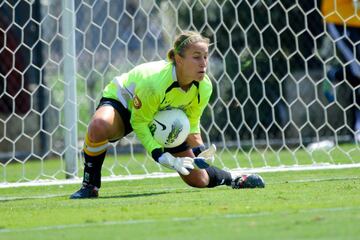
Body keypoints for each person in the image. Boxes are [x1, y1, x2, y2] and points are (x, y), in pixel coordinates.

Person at [70, 31, 265, 199]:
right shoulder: (154, 83)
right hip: (124, 105)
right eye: (196, 57)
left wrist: (200, 153)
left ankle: (234, 177)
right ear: (178, 59)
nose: (203, 63)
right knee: (99, 125)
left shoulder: (204, 86)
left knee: (199, 178)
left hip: (163, 117)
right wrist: (160, 155)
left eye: (205, 56)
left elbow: (192, 123)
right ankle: (90, 186)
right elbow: (139, 122)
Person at [321, 0, 360, 141]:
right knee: (359, 71)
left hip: (357, 16)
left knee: (357, 75)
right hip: (340, 17)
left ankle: (334, 74)